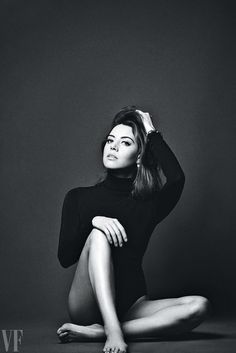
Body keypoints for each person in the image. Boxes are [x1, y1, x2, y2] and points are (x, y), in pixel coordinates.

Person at [56, 106, 210, 353]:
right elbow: (65, 257)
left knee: (199, 306)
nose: (113, 147)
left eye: (125, 142)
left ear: (139, 156)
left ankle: (103, 330)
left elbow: (177, 179)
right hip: (88, 306)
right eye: (110, 140)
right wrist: (94, 221)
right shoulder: (77, 198)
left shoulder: (148, 204)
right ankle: (113, 330)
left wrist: (151, 132)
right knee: (99, 235)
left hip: (132, 306)